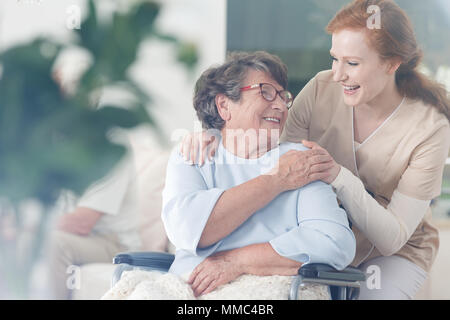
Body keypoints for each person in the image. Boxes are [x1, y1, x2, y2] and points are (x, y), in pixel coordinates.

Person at [180, 0, 450, 299]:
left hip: (390, 250)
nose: (337, 74)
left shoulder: (430, 128)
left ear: (391, 63)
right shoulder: (322, 88)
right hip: (322, 231)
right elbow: (275, 152)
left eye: (353, 63)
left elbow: (392, 238)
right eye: (335, 58)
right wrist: (215, 133)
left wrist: (337, 175)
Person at [103, 51, 355, 300]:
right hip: (192, 287)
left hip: (269, 289)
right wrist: (277, 180)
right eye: (265, 92)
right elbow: (189, 230)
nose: (279, 105)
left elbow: (335, 242)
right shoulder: (195, 155)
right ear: (224, 105)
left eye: (282, 96)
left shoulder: (300, 161)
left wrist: (237, 262)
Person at [46, 155, 142, 299]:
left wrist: (38, 230)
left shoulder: (111, 152)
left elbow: (81, 223)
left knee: (54, 242)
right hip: (84, 238)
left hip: (116, 244)